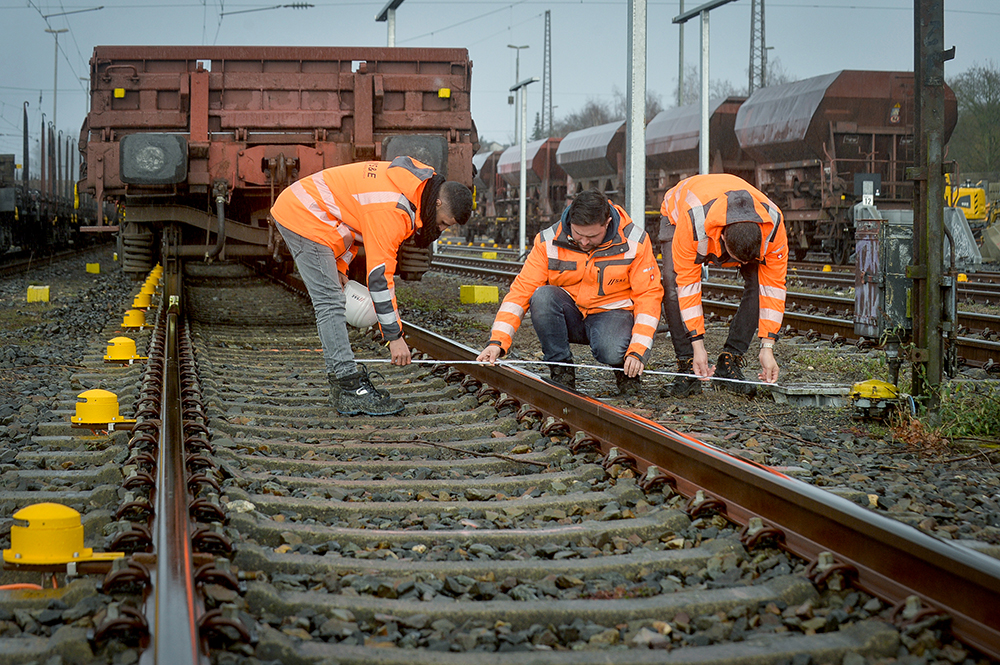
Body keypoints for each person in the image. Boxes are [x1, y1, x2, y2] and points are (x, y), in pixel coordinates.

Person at [270, 156, 473, 416]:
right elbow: (378, 278)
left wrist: (340, 267)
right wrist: (394, 337)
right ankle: (347, 386)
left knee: (331, 299)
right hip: (303, 215)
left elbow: (352, 222)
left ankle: (341, 381)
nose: (440, 229)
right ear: (437, 203)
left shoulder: (417, 184)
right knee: (330, 303)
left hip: (315, 213)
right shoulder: (393, 211)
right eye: (444, 222)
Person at [477, 189, 663, 395]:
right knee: (542, 296)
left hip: (612, 314)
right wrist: (497, 342)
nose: (584, 242)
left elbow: (648, 297)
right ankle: (561, 370)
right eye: (578, 234)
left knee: (610, 350)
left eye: (592, 236)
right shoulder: (548, 241)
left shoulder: (634, 242)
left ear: (608, 222)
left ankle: (625, 371)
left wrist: (638, 350)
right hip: (570, 314)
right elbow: (520, 292)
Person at [658, 174, 788, 398]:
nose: (744, 265)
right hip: (678, 216)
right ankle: (687, 366)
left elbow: (773, 288)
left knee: (758, 282)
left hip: (730, 215)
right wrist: (697, 345)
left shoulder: (773, 224)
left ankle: (730, 363)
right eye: (740, 260)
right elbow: (687, 286)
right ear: (724, 241)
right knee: (672, 287)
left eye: (749, 260)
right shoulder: (693, 222)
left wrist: (767, 346)